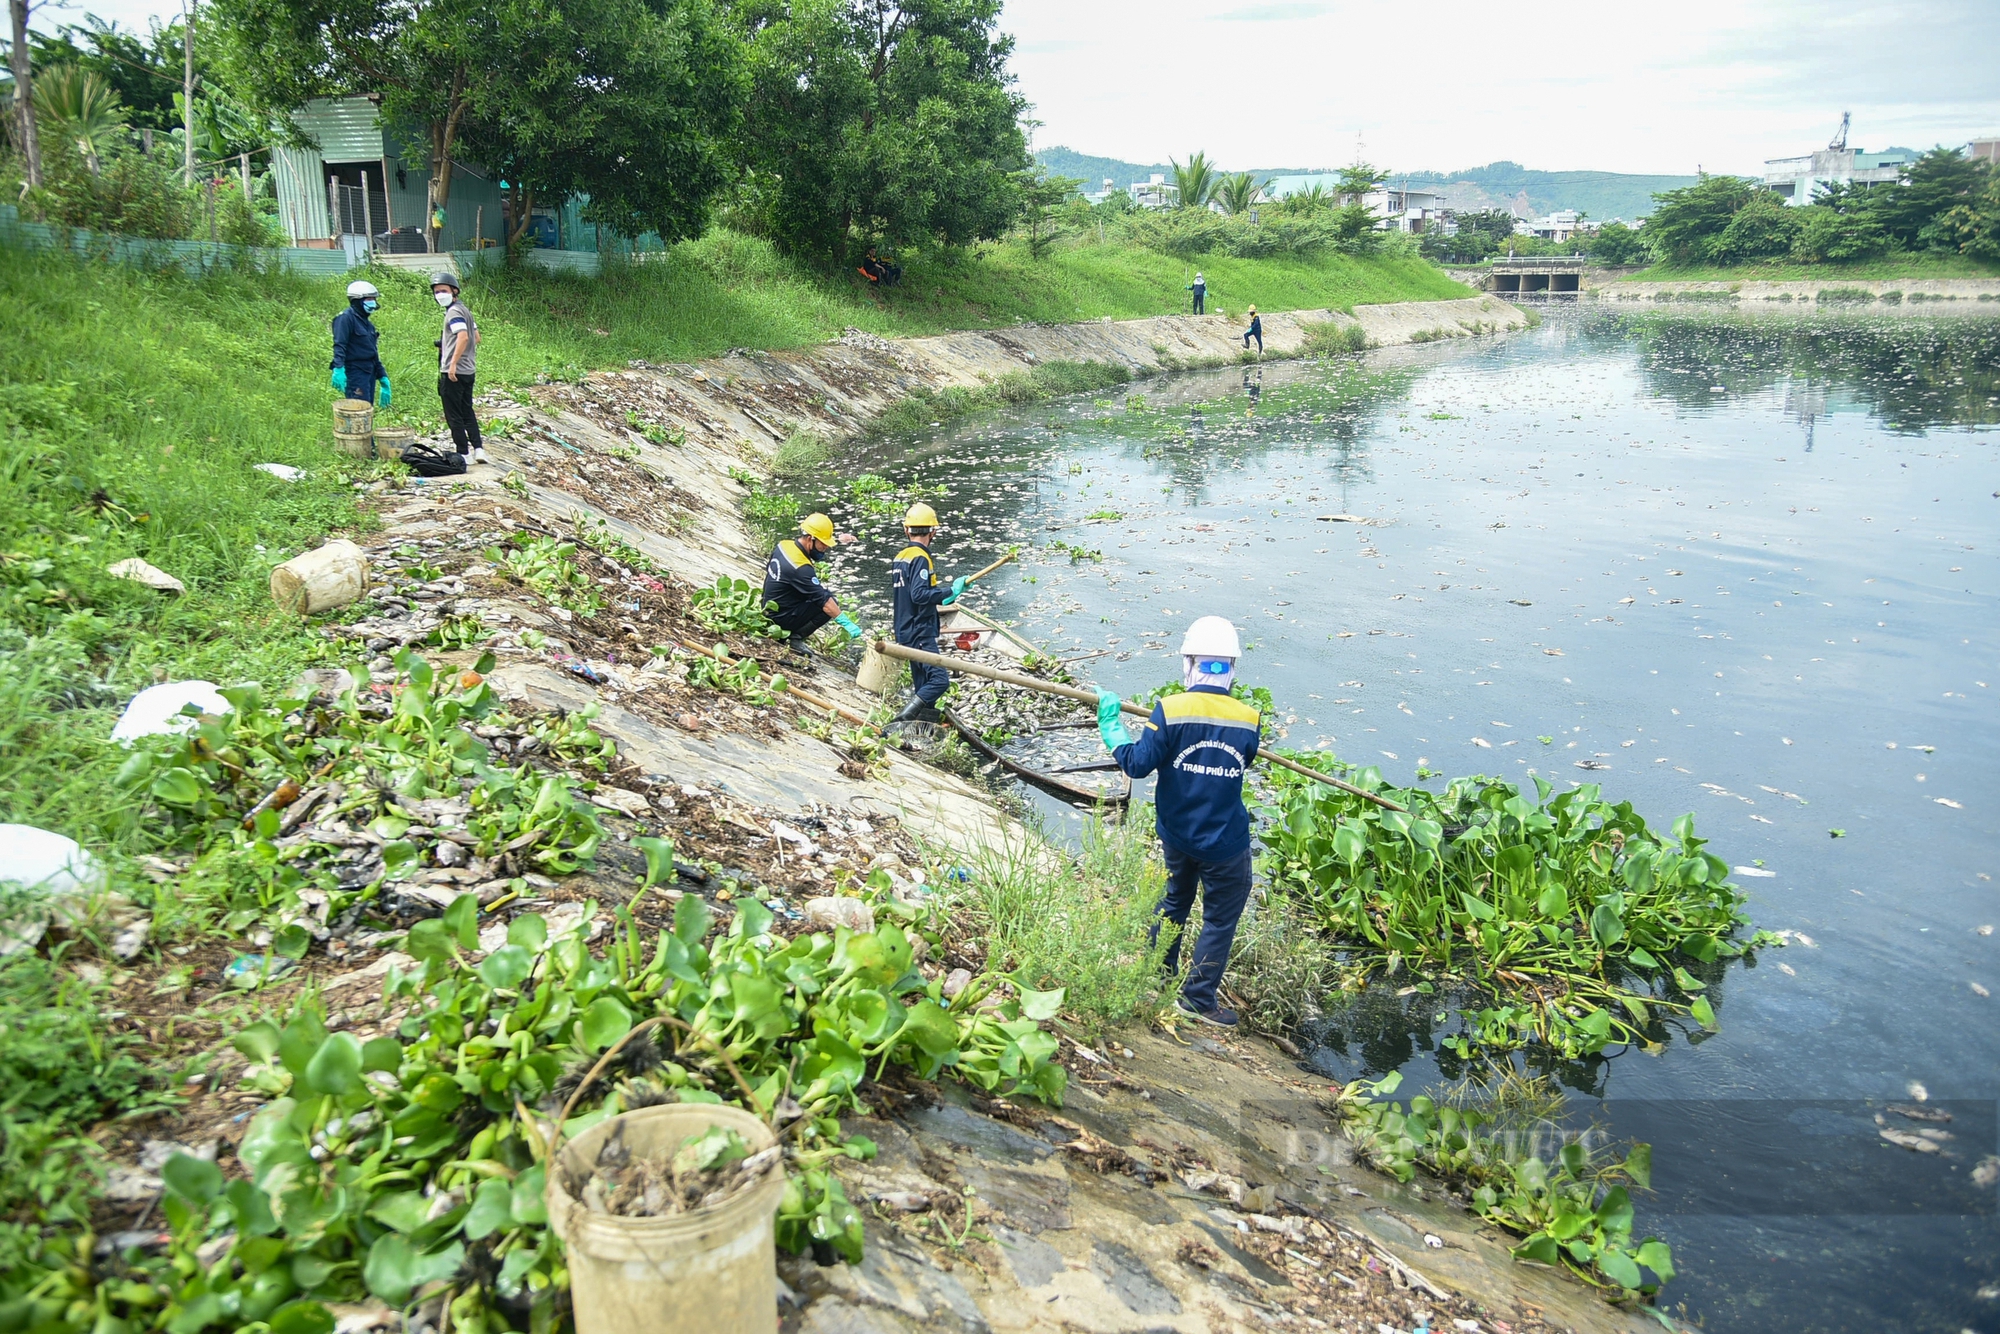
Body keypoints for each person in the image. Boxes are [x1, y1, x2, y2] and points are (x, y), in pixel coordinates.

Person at [1095, 616, 1259, 1027]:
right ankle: (1199, 999)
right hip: (1225, 842)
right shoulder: (1250, 719)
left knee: (1174, 901)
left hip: (1177, 834)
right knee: (1220, 918)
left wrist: (1111, 727)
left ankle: (1158, 974)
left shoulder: (1169, 709)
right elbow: (1244, 760)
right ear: (1232, 669)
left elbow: (1136, 765)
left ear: (1188, 663)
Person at [890, 502, 965, 724]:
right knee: (939, 680)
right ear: (933, 531)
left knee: (923, 684)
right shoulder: (920, 558)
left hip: (904, 628)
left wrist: (944, 594)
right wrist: (949, 592)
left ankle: (923, 727)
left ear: (907, 529)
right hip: (919, 630)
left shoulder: (901, 557)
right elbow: (920, 595)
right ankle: (902, 720)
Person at [763, 512, 863, 654]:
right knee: (829, 602)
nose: (825, 548)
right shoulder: (801, 568)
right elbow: (825, 602)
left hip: (768, 606)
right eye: (823, 544)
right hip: (778, 618)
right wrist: (847, 623)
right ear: (811, 539)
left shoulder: (784, 545)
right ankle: (794, 638)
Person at [430, 271, 486, 465]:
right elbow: (476, 337)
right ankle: (478, 449)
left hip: (454, 371)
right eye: (436, 292)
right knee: (467, 411)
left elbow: (463, 336)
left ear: (454, 291)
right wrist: (447, 344)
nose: (440, 295)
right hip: (469, 369)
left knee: (453, 414)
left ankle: (463, 453)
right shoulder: (465, 310)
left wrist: (452, 362)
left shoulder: (453, 312)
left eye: (443, 291)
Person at [330, 280, 388, 409]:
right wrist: (338, 367)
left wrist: (382, 375)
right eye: (368, 299)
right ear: (356, 300)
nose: (372, 302)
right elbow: (340, 344)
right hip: (355, 372)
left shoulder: (368, 324)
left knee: (367, 409)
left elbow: (372, 352)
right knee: (357, 410)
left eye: (373, 298)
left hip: (369, 371)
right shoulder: (345, 319)